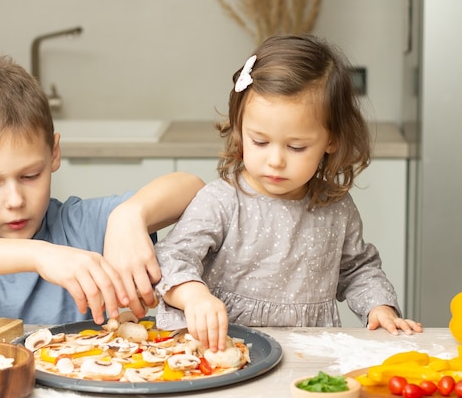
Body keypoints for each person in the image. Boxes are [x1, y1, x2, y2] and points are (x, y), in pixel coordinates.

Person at [154, 34, 423, 352]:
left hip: (308, 353)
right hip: (223, 350)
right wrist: (194, 296)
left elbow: (357, 268)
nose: (276, 160)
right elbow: (172, 258)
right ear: (240, 130)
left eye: (296, 146)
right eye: (260, 141)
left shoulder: (336, 208)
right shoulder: (222, 201)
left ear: (331, 140)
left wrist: (379, 307)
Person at [0, 56, 205, 325]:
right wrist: (39, 255)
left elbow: (193, 188)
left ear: (54, 154)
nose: (14, 201)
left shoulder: (85, 225)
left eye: (30, 175)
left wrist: (131, 216)